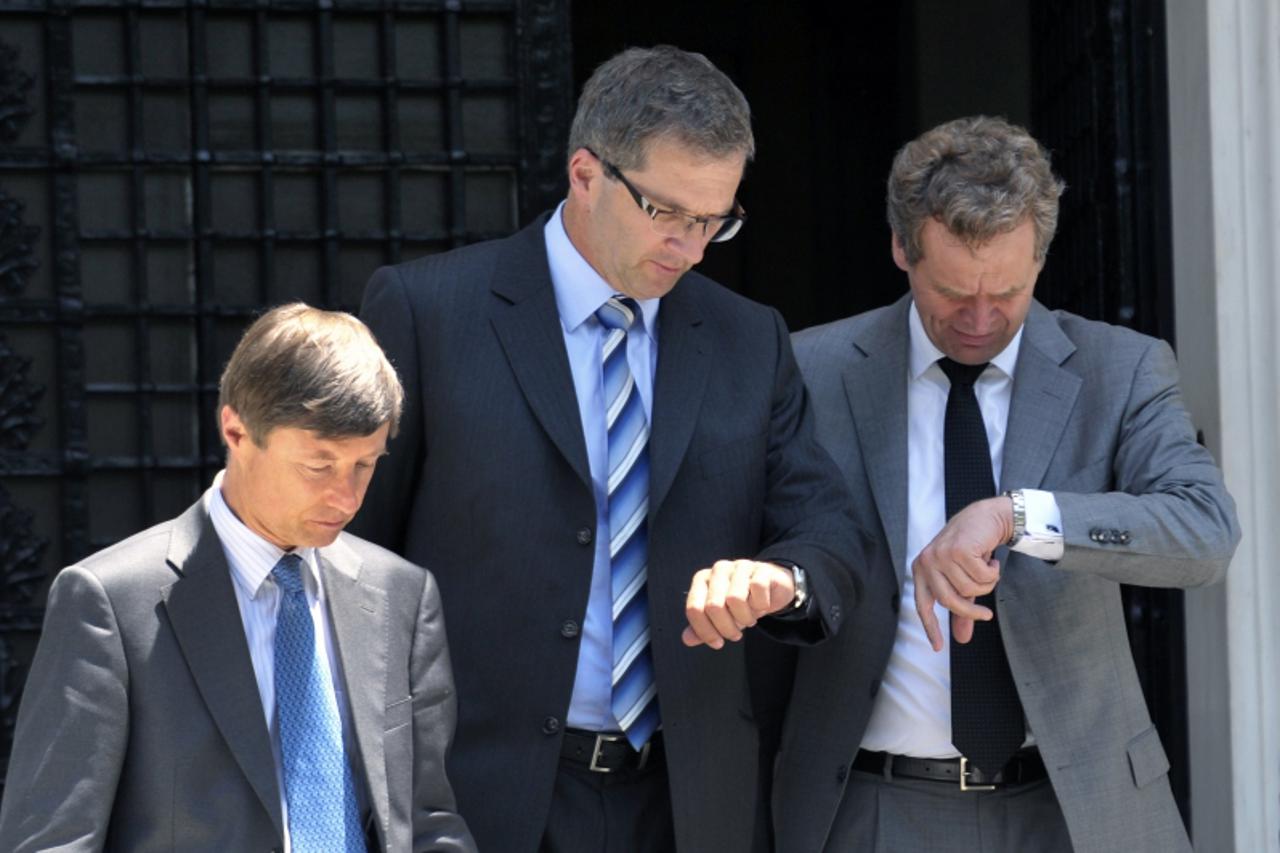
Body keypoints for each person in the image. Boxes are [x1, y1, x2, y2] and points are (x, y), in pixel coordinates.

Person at [350, 45, 868, 853]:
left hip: (687, 802)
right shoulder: (427, 312)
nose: (691, 248)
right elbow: (349, 557)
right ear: (585, 173)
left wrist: (783, 576)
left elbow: (832, 533)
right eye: (667, 212)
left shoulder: (746, 338)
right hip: (475, 799)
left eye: (715, 220)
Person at [779, 115, 1241, 852]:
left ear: (1040, 259)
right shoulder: (812, 370)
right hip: (872, 809)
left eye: (1011, 291)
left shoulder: (1119, 369)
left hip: (1075, 811)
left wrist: (1017, 515)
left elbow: (1203, 533)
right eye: (954, 292)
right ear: (901, 248)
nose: (982, 319)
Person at [0, 304, 476, 852]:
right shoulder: (110, 603)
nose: (346, 498)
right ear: (236, 430)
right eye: (319, 466)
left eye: (365, 465)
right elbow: (52, 841)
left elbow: (427, 822)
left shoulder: (403, 597)